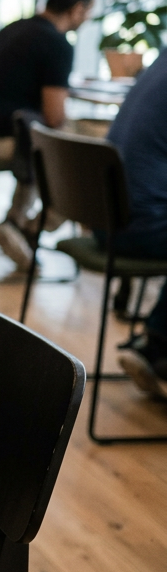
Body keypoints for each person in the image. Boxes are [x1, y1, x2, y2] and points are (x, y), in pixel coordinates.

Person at [0, 0, 95, 270]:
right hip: (5, 141)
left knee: (50, 141)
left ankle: (17, 223)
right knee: (88, 161)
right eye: (89, 11)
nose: (88, 18)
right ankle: (30, 226)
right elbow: (54, 117)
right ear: (78, 9)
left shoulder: (12, 28)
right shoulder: (57, 44)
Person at [109, 56, 167, 398]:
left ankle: (156, 343)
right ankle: (157, 346)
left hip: (104, 216)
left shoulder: (160, 62)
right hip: (137, 226)